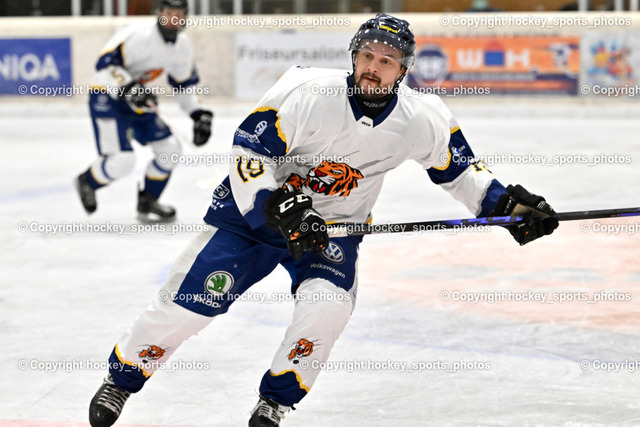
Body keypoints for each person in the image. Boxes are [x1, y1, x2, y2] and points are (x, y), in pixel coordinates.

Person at [88, 13, 558, 427]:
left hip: (332, 228)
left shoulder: (423, 117)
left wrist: (507, 207)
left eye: (387, 60)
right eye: (367, 55)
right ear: (353, 57)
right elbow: (250, 152)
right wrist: (276, 205)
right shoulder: (307, 91)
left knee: (328, 307)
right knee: (188, 305)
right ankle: (122, 380)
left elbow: (462, 173)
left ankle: (276, 399)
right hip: (252, 219)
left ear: (404, 70)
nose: (373, 67)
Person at [75, 0, 213, 222]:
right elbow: (105, 65)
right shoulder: (138, 36)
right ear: (159, 13)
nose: (174, 18)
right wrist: (129, 87)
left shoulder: (183, 46)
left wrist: (198, 114)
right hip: (106, 96)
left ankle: (148, 200)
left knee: (170, 149)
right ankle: (87, 181)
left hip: (135, 99)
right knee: (122, 161)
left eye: (179, 14)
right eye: (169, 13)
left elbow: (184, 86)